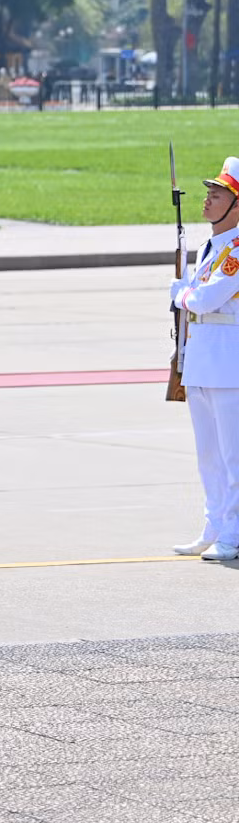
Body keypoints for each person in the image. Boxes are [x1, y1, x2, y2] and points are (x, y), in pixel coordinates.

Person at [173, 156, 239, 560]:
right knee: (208, 456)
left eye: (219, 194)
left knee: (234, 456)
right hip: (201, 359)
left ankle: (234, 532)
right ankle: (214, 525)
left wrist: (180, 294)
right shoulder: (209, 247)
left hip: (229, 363)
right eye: (210, 192)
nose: (208, 199)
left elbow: (205, 299)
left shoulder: (236, 251)